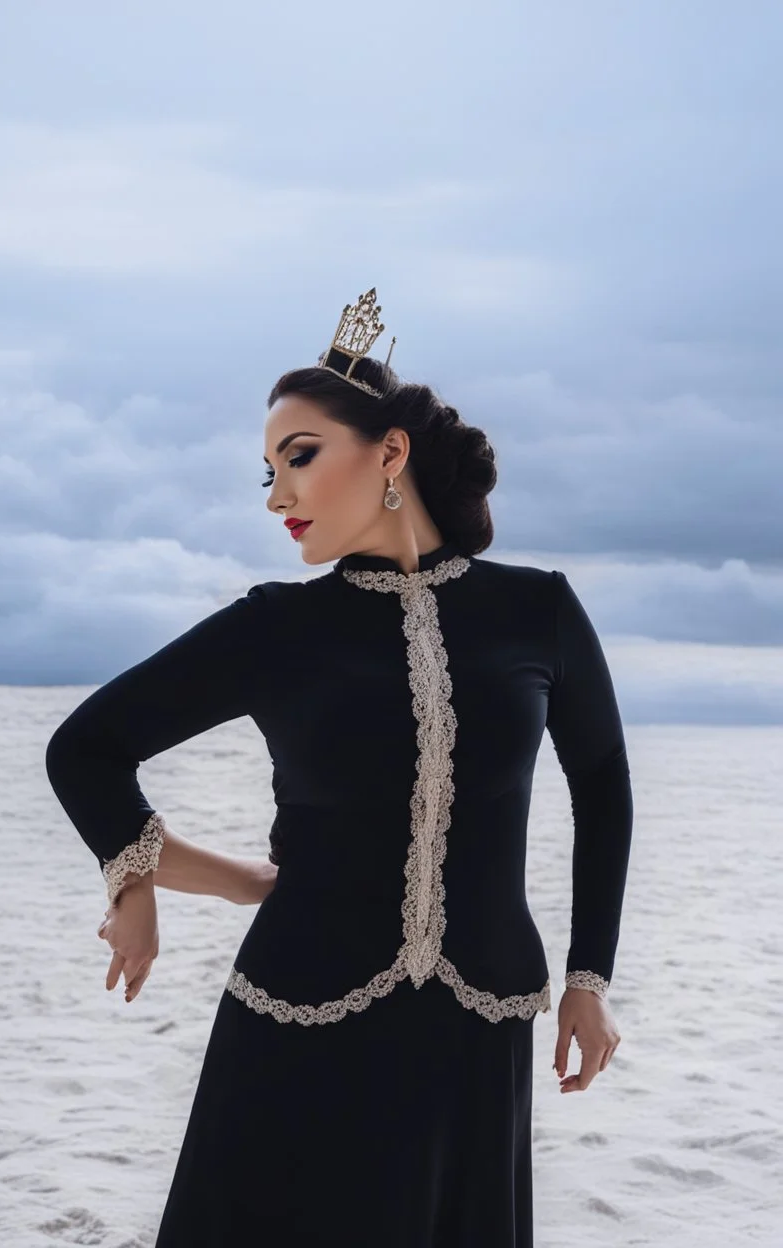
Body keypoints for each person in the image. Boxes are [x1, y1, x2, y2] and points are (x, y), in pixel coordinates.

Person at [45, 289, 633, 1247]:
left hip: (476, 1026)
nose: (278, 497)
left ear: (390, 454)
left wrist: (590, 977)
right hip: (295, 1019)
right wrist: (157, 877)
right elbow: (85, 751)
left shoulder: (540, 613)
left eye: (300, 458)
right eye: (268, 473)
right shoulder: (275, 627)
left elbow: (602, 790)